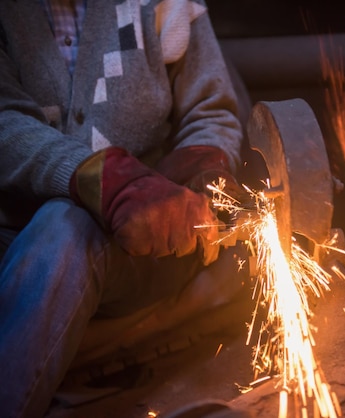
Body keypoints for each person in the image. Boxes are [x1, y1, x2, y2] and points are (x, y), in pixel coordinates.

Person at [0, 1, 249, 416]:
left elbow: (211, 112)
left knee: (66, 228)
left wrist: (203, 169)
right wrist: (104, 179)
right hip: (13, 236)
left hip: (139, 250)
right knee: (64, 223)